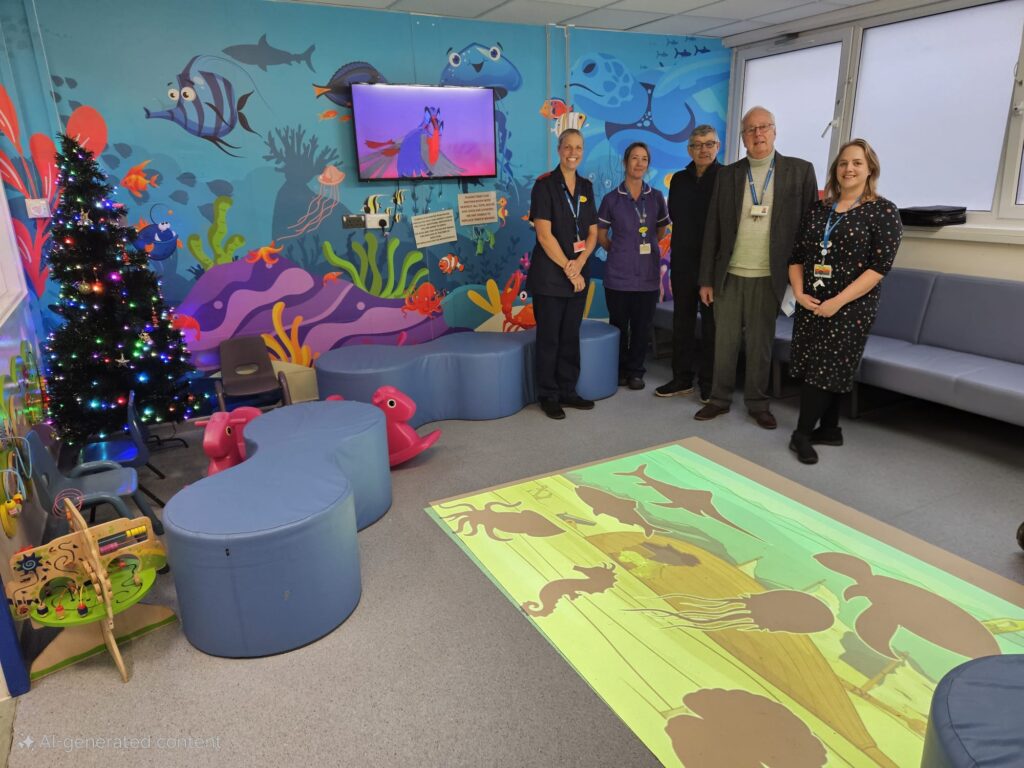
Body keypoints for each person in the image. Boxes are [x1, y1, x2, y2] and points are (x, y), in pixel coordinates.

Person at [695, 106, 817, 429]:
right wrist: (706, 279)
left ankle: (758, 403)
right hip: (729, 274)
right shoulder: (728, 175)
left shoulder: (800, 171)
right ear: (743, 137)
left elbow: (810, 229)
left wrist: (801, 280)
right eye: (751, 129)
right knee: (724, 342)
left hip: (770, 275)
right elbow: (712, 229)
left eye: (764, 127)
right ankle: (719, 399)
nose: (758, 134)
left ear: (774, 131)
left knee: (760, 344)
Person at [786, 139, 902, 464]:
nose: (849, 169)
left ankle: (801, 434)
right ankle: (830, 429)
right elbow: (796, 256)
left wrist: (837, 301)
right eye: (843, 163)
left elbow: (879, 268)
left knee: (825, 366)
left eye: (857, 163)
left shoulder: (883, 211)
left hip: (851, 306)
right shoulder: (818, 209)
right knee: (819, 365)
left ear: (870, 169)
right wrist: (799, 293)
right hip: (811, 301)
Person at [527, 128, 599, 420]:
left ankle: (568, 390)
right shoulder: (544, 186)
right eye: (568, 147)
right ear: (559, 150)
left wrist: (580, 263)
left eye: (578, 147)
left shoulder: (586, 187)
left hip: (577, 274)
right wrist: (571, 270)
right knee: (550, 339)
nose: (573, 153)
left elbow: (592, 233)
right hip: (551, 277)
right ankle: (548, 395)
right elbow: (544, 236)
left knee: (570, 336)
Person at [597, 142, 670, 390]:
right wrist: (618, 250)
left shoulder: (656, 197)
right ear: (625, 162)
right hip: (618, 275)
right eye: (635, 158)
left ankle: (636, 371)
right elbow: (601, 235)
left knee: (641, 326)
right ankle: (619, 369)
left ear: (648, 165)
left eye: (644, 159)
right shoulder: (611, 199)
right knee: (619, 325)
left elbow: (661, 230)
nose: (639, 163)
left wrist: (645, 246)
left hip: (647, 275)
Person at [655, 125, 721, 402]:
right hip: (682, 262)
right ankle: (681, 378)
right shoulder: (679, 180)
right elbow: (676, 217)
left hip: (712, 266)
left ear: (717, 147)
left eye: (708, 144)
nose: (703, 149)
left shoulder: (726, 178)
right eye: (697, 145)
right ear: (689, 149)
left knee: (711, 327)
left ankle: (709, 383)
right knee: (682, 322)